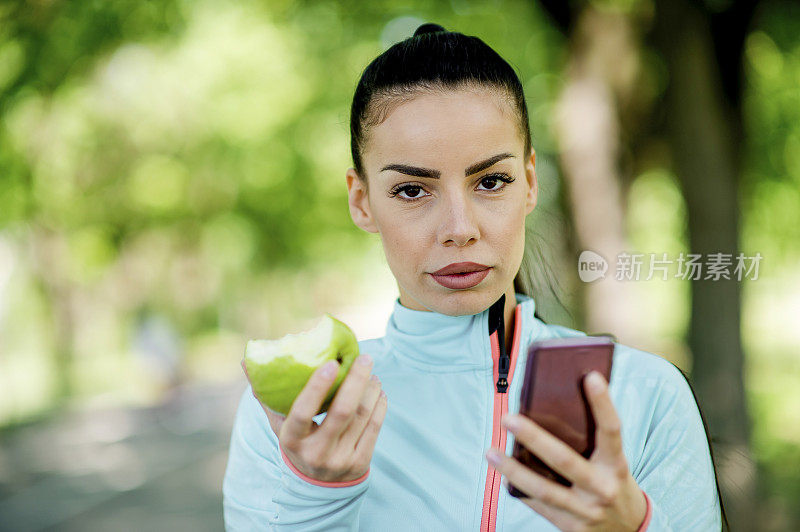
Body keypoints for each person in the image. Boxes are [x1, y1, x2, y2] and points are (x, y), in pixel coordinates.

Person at [222, 22, 725, 531]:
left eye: (491, 181)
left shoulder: (645, 394)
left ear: (529, 184)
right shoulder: (301, 415)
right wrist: (317, 497)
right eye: (412, 191)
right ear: (362, 202)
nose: (460, 230)